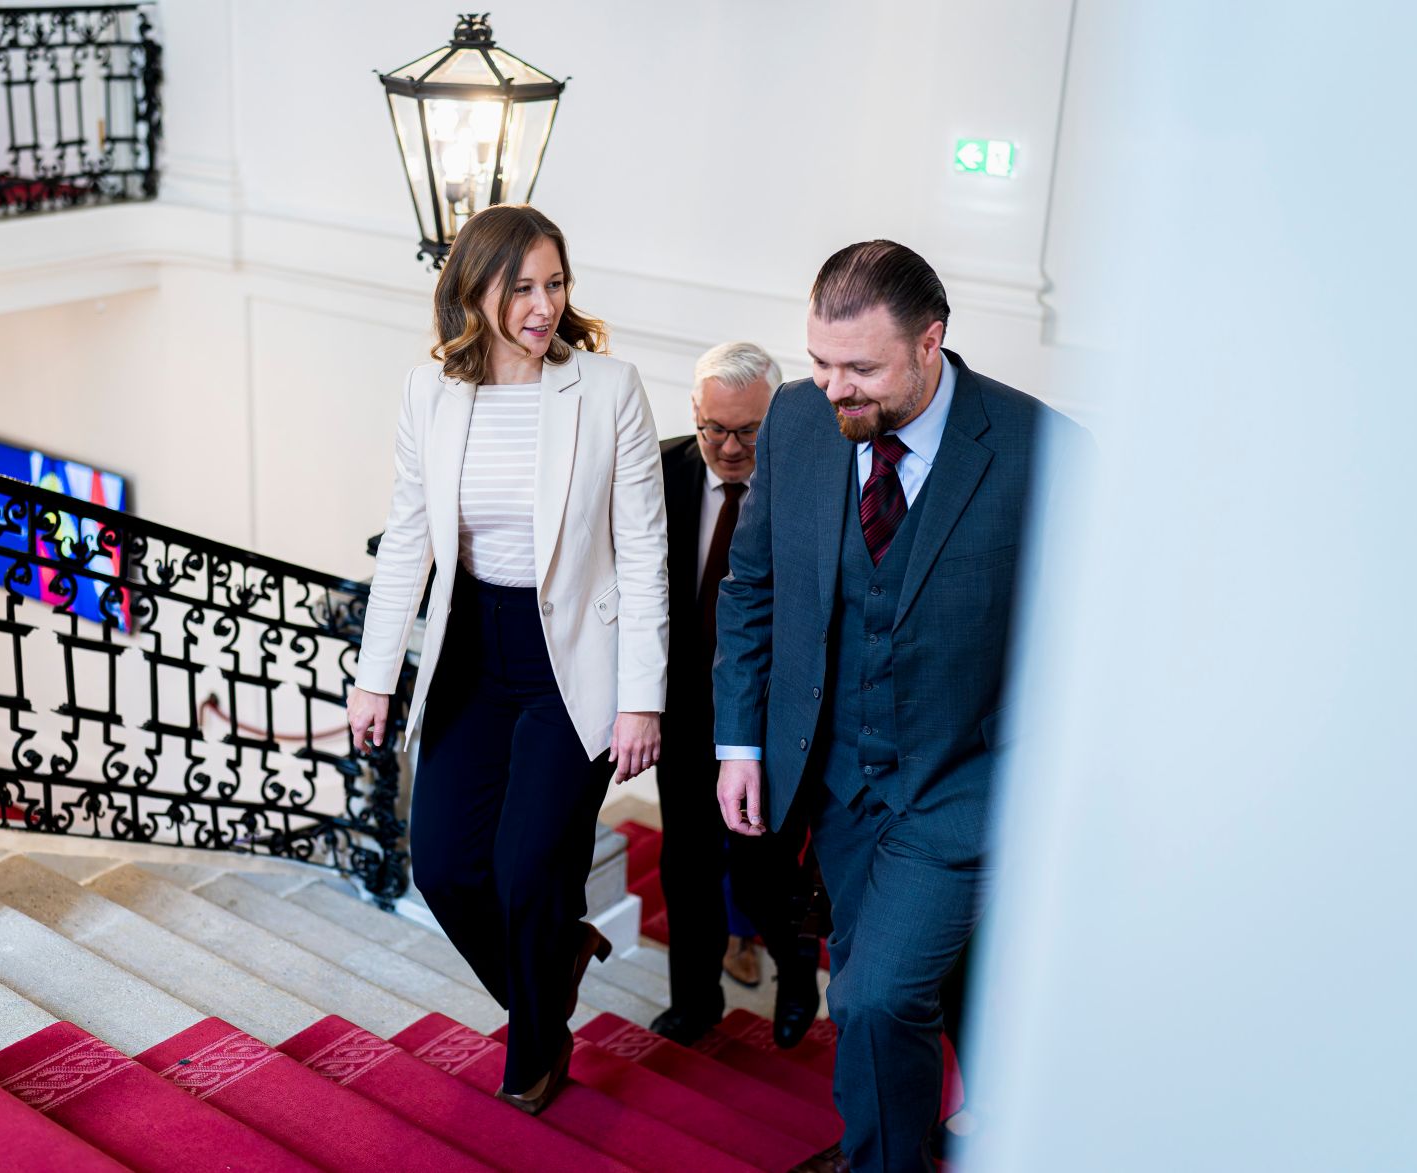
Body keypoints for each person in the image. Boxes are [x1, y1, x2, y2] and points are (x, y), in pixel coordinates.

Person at [713, 241, 1081, 1170]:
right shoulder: (796, 423)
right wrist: (739, 742)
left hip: (964, 783)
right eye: (821, 362)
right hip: (834, 785)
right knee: (895, 990)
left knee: (872, 995)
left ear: (931, 342)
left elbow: (1085, 642)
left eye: (862, 368)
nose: (835, 389)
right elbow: (751, 586)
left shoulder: (1043, 449)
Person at [347, 204, 669, 1116]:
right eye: (521, 286)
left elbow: (643, 550)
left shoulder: (607, 388)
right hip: (469, 657)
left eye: (555, 283)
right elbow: (408, 537)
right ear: (471, 289)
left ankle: (535, 1046)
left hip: (572, 661)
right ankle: (554, 965)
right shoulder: (431, 390)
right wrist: (375, 675)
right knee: (444, 868)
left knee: (532, 869)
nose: (542, 304)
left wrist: (642, 699)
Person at [650, 341, 821, 1049]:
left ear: (776, 421)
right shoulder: (660, 471)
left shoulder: (812, 487)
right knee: (685, 864)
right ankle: (695, 1002)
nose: (726, 445)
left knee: (764, 873)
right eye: (711, 427)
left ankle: (798, 975)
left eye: (746, 431)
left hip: (773, 719)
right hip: (684, 711)